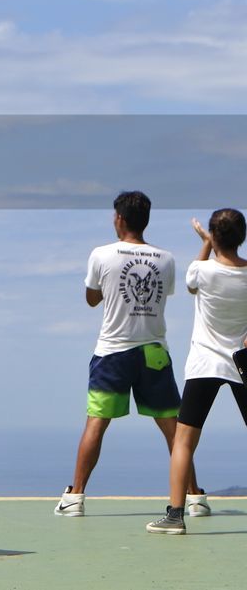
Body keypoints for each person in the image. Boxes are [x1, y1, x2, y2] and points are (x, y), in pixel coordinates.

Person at [55, 191, 204, 517]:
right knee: (174, 428)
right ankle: (194, 497)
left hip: (113, 353)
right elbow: (161, 296)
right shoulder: (165, 258)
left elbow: (92, 298)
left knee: (96, 423)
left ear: (119, 219)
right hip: (154, 352)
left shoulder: (101, 254)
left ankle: (75, 498)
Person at [146, 210, 247, 534]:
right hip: (242, 363)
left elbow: (191, 283)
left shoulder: (202, 271)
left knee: (184, 441)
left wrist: (205, 244)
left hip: (204, 364)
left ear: (214, 236)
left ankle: (175, 516)